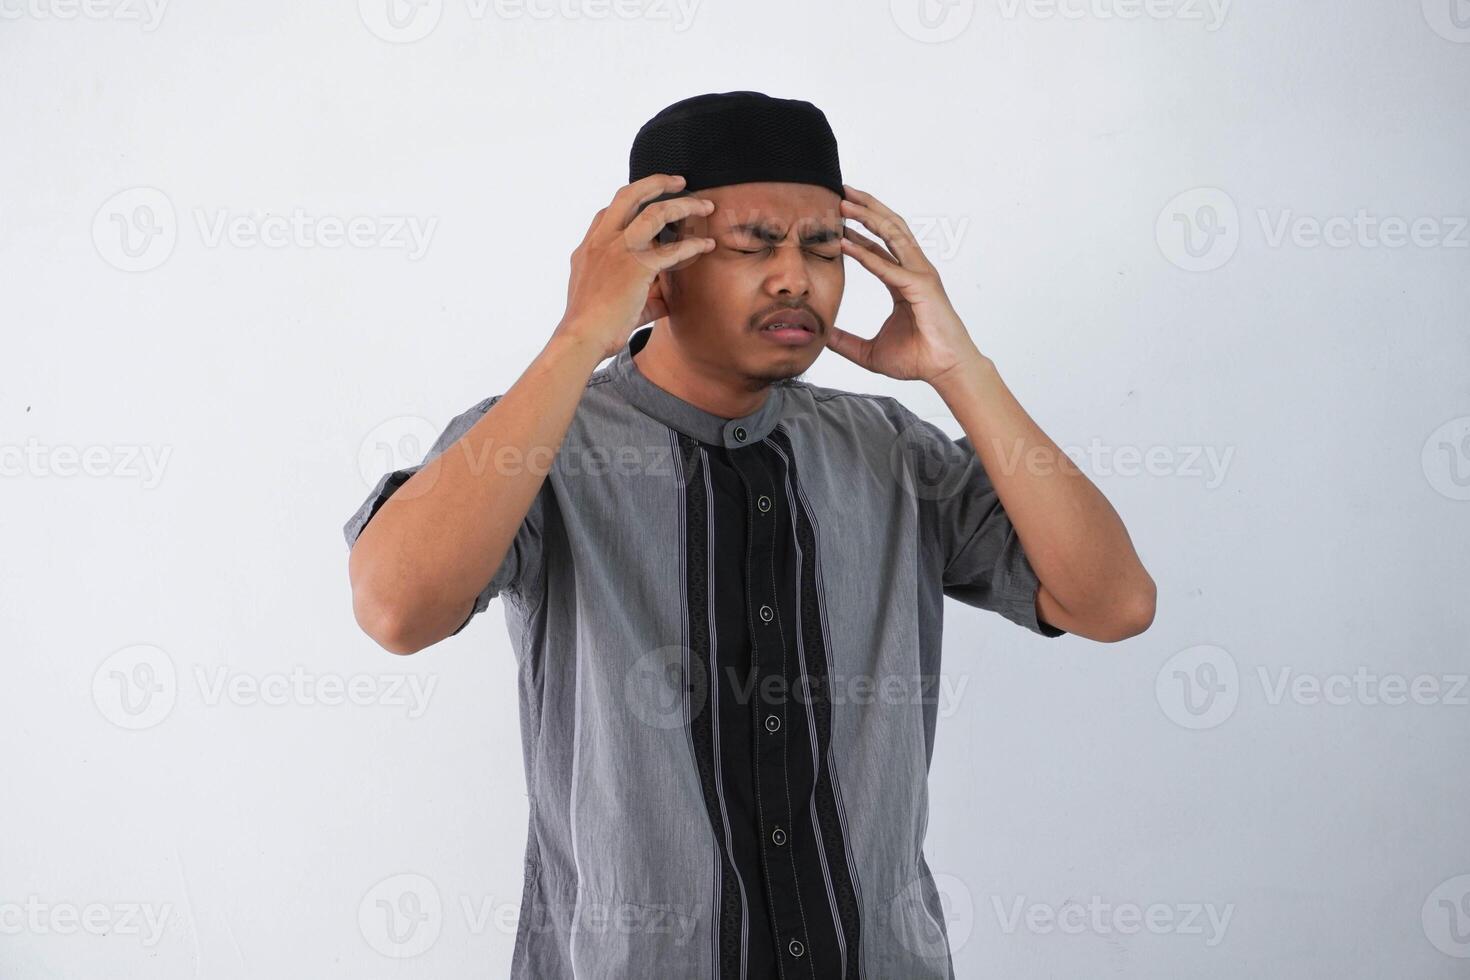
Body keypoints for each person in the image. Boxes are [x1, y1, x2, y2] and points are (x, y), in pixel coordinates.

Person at [343, 90, 1155, 979]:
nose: (794, 277)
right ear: (658, 262)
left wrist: (961, 371)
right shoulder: (539, 442)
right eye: (753, 244)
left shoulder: (888, 449)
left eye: (822, 246)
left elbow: (1112, 603)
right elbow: (397, 609)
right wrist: (581, 333)